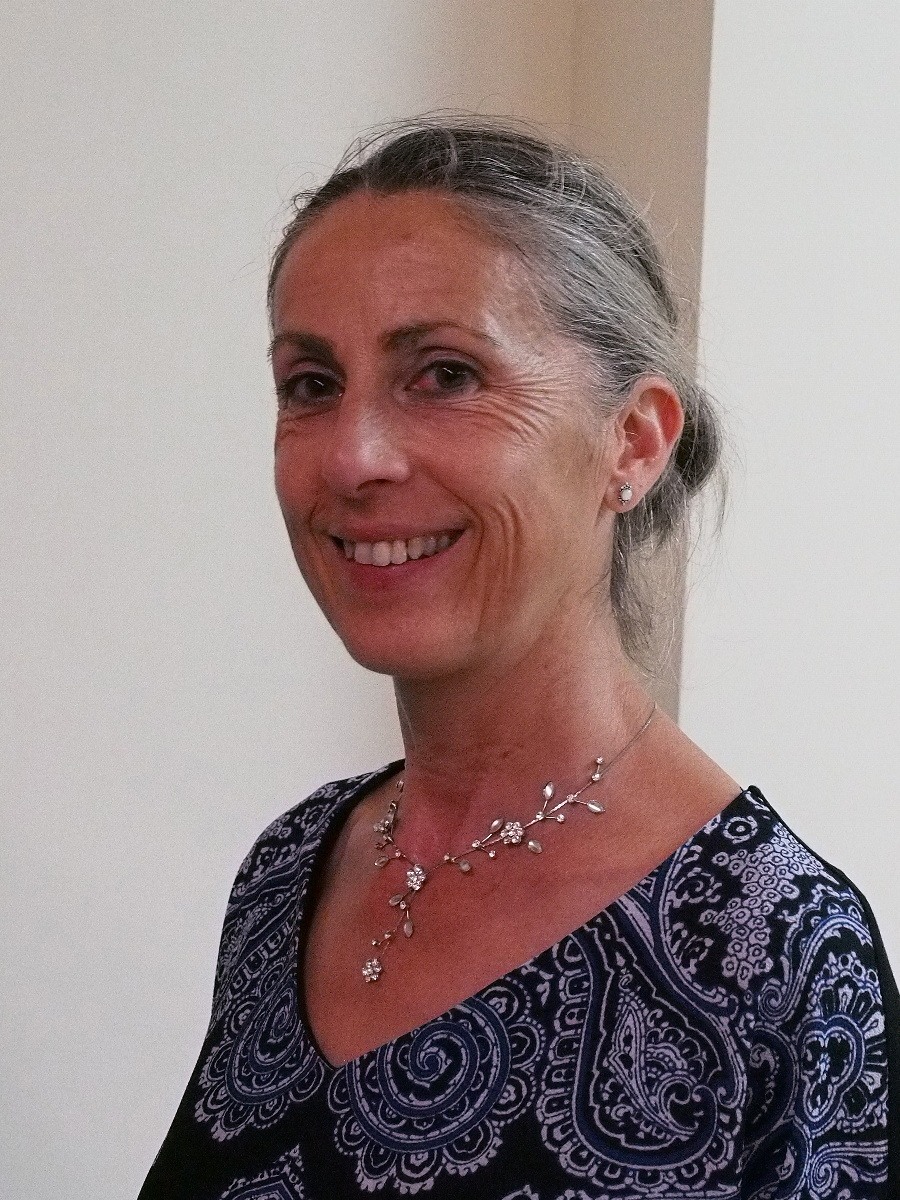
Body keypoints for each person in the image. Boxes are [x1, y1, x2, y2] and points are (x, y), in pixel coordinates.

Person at [138, 118, 898, 1199]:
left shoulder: (776, 961)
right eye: (310, 384)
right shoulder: (291, 872)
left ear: (634, 440)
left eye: (445, 374)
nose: (352, 456)